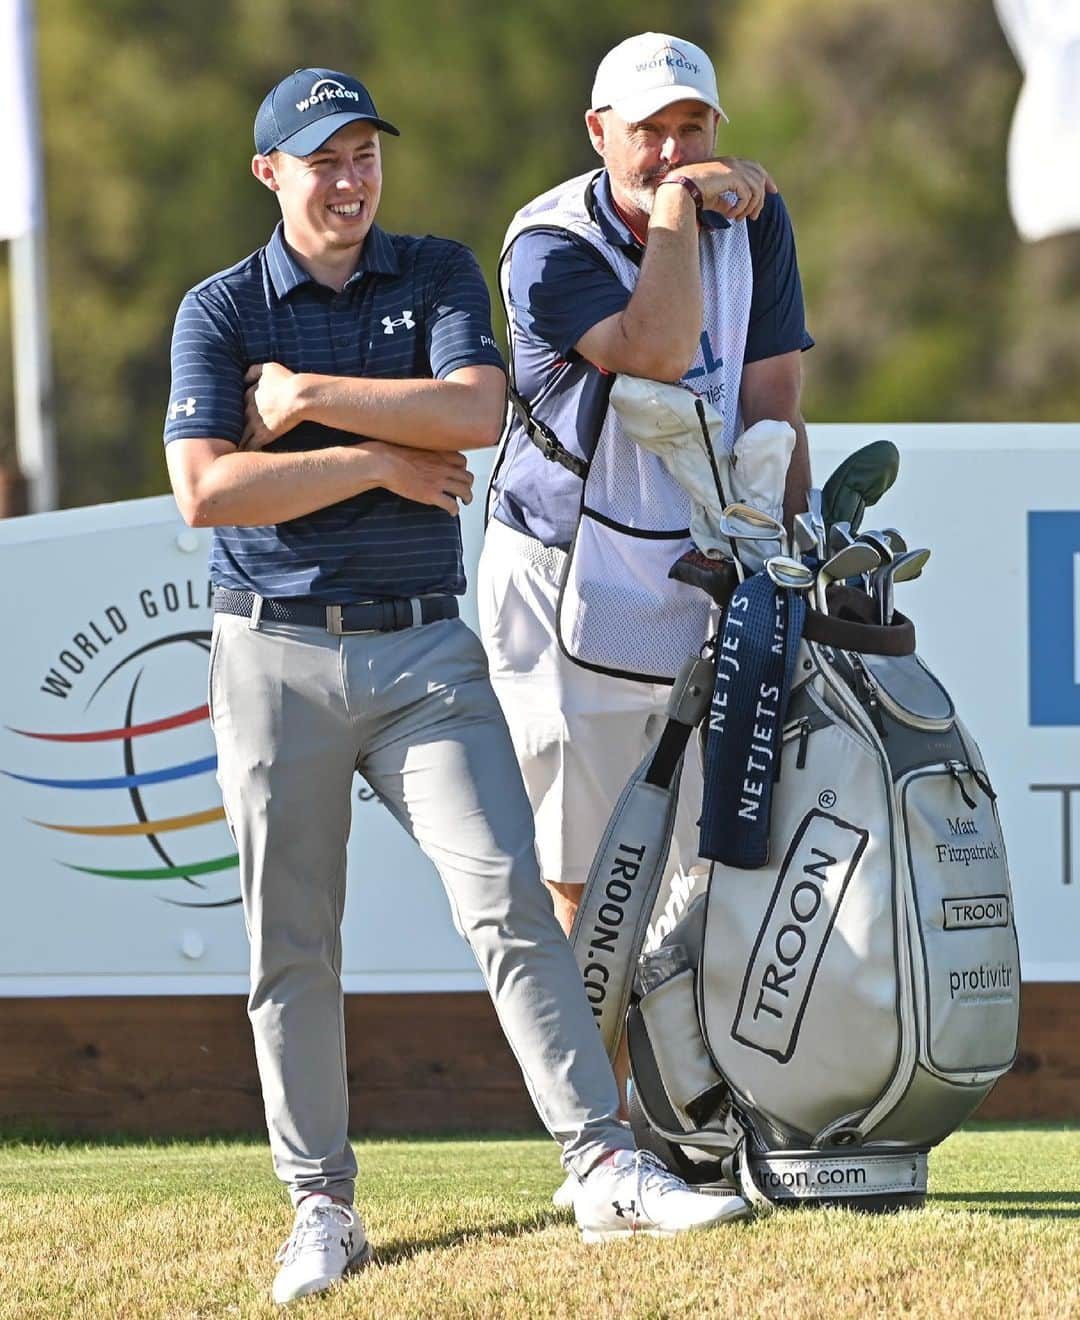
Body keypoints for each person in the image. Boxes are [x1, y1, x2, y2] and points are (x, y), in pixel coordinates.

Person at [163, 67, 750, 1307]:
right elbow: (209, 492)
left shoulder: (433, 272)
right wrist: (384, 453)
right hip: (271, 653)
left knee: (508, 903)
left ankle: (602, 1163)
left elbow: (477, 410)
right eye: (323, 159)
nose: (351, 177)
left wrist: (313, 409)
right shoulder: (217, 312)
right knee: (292, 947)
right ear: (269, 172)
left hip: (427, 653)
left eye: (365, 152)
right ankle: (321, 1204)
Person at [478, 32, 814, 1112]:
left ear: (718, 124)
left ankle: (698, 1117)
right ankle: (602, 1131)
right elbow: (661, 349)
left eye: (693, 127)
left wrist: (783, 558)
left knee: (707, 866)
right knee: (591, 873)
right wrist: (680, 206)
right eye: (649, 131)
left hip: (696, 571)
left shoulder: (761, 224)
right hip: (565, 582)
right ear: (598, 134)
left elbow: (771, 403)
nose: (673, 148)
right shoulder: (546, 241)